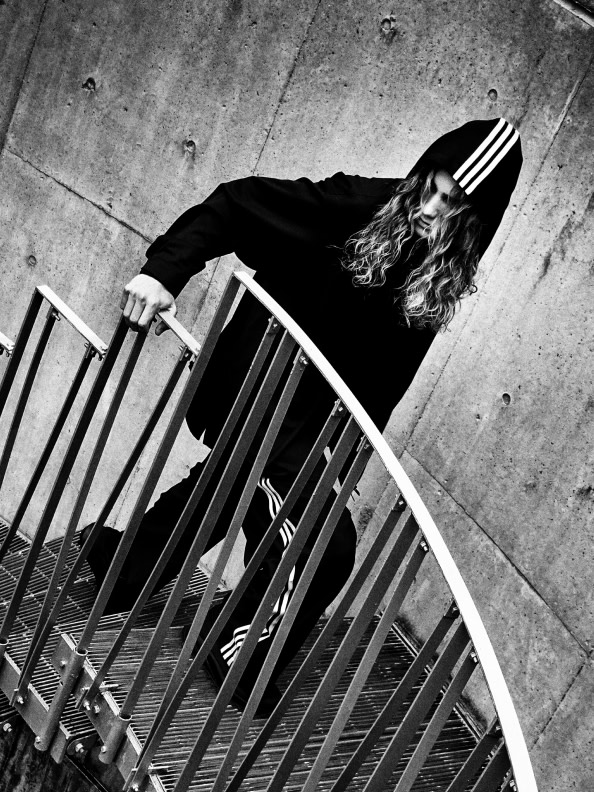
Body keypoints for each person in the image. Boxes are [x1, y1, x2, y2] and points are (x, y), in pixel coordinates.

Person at [83, 118, 522, 715]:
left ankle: (125, 568)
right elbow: (239, 203)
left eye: (453, 204)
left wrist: (343, 457)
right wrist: (164, 272)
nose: (431, 208)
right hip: (259, 389)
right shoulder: (361, 205)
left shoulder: (440, 273)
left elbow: (384, 381)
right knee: (324, 546)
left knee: (230, 490)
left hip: (308, 424)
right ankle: (239, 654)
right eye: (431, 188)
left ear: (477, 223)